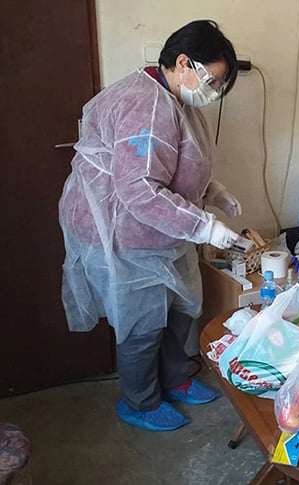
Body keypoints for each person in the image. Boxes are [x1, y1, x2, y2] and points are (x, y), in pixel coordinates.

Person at [59, 20, 243, 431]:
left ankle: (175, 379)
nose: (212, 91)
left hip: (167, 228)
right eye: (211, 80)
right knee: (143, 324)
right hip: (126, 230)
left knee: (181, 308)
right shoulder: (145, 103)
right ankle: (140, 401)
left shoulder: (177, 99)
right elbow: (139, 189)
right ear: (183, 63)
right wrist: (206, 227)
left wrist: (212, 191)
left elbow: (177, 165)